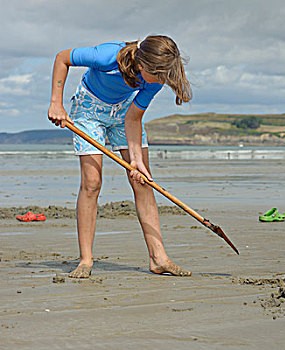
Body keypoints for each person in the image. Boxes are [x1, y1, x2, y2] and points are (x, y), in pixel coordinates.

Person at [47, 35, 192, 278]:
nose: (162, 81)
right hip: (89, 109)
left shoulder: (155, 80)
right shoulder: (106, 56)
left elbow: (133, 118)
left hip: (123, 112)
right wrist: (56, 103)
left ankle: (159, 258)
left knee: (143, 180)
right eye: (159, 75)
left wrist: (136, 160)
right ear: (142, 65)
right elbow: (62, 57)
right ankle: (85, 260)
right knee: (92, 183)